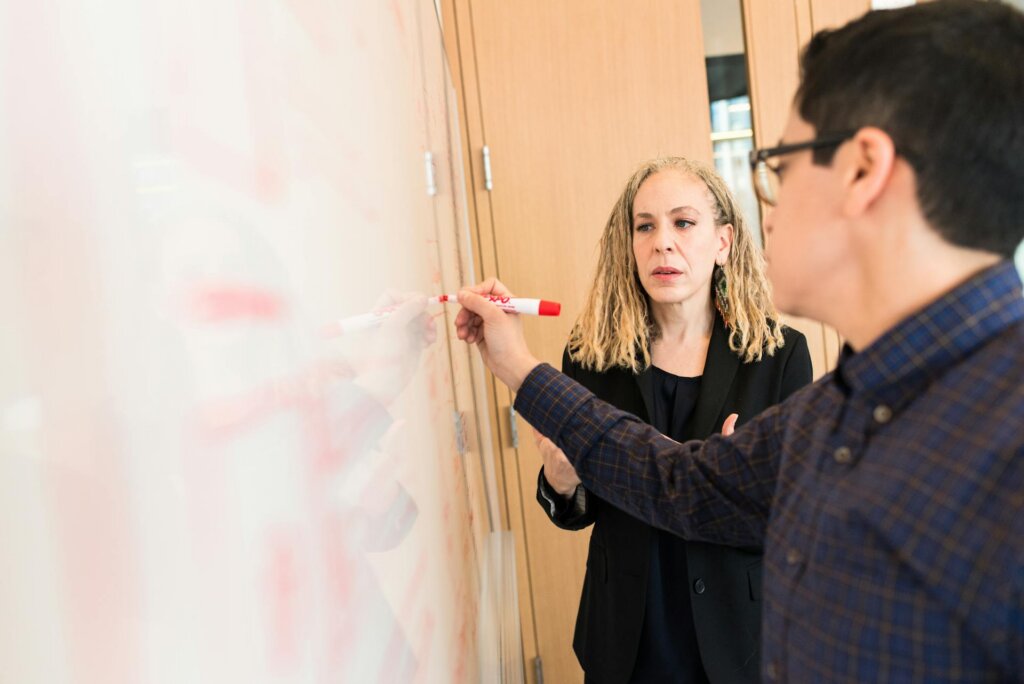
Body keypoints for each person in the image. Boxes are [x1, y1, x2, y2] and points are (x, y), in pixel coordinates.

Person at [454, 1, 1024, 680]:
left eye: (779, 169)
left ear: (863, 171)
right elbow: (679, 483)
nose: (770, 214)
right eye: (645, 226)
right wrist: (517, 365)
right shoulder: (837, 408)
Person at [533, 157, 811, 683]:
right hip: (625, 638)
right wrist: (561, 482)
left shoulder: (779, 356)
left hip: (741, 639)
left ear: (723, 242)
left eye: (683, 223)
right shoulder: (590, 357)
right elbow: (573, 513)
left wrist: (737, 484)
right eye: (646, 226)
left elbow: (796, 515)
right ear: (630, 244)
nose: (663, 242)